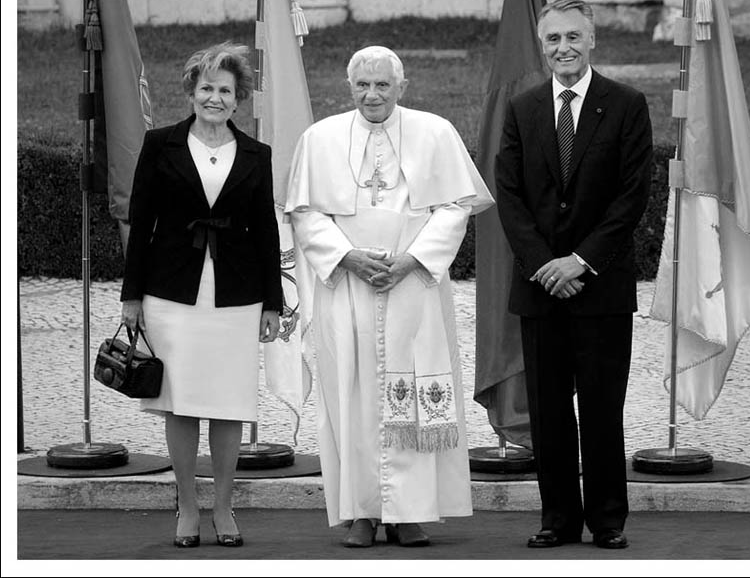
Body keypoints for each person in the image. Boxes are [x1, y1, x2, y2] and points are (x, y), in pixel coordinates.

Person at [284, 46, 494, 547]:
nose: (372, 95)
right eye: (362, 85)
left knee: (418, 395)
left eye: (382, 85)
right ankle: (361, 511)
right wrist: (348, 257)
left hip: (414, 286)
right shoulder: (321, 138)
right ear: (349, 86)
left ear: (402, 86)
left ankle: (410, 512)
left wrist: (413, 260)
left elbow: (455, 206)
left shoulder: (435, 132)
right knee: (350, 394)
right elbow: (306, 213)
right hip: (349, 287)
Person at [494, 0, 653, 550]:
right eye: (553, 39)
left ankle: (607, 521)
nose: (563, 48)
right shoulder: (523, 108)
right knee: (550, 411)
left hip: (600, 287)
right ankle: (557, 519)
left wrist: (579, 261)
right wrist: (544, 264)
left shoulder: (628, 104)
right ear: (542, 45)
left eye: (573, 37)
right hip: (541, 289)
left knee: (603, 409)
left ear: (593, 41)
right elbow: (509, 196)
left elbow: (632, 197)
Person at [120, 41, 283, 548]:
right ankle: (187, 507)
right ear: (192, 92)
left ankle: (225, 508)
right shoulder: (159, 144)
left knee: (230, 403)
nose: (215, 98)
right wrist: (131, 296)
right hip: (171, 293)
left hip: (237, 295)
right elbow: (140, 220)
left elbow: (266, 230)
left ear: (239, 100)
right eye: (207, 88)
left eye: (226, 91)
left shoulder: (258, 154)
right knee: (183, 403)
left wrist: (274, 302)